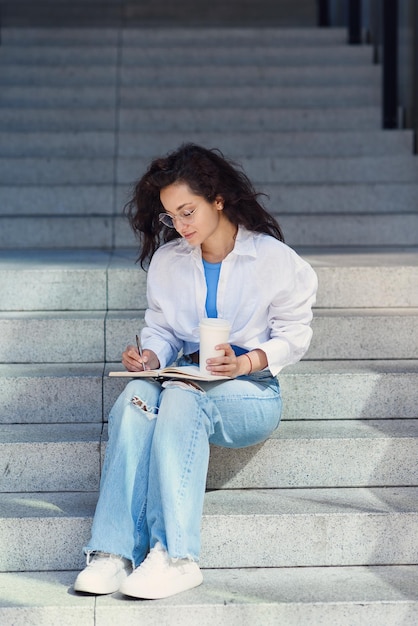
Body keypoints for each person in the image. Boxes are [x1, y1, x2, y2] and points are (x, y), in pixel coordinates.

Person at [74, 143, 317, 600]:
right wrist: (148, 357)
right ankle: (112, 552)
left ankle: (175, 556)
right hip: (186, 376)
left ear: (218, 200)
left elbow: (295, 335)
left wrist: (246, 361)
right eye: (170, 217)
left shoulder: (272, 259)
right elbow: (162, 329)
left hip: (251, 390)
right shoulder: (170, 262)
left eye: (187, 212)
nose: (179, 226)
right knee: (136, 398)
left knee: (184, 394)